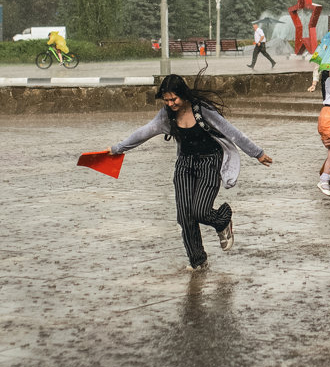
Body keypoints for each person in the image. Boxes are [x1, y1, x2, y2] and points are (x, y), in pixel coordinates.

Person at [108, 74, 272, 271]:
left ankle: (223, 219)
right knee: (185, 215)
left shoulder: (201, 109)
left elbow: (231, 131)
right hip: (185, 165)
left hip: (210, 162)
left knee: (200, 211)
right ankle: (198, 261)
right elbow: (145, 132)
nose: (170, 103)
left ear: (183, 95)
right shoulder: (166, 115)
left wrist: (257, 153)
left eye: (174, 99)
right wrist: (118, 148)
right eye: (166, 100)